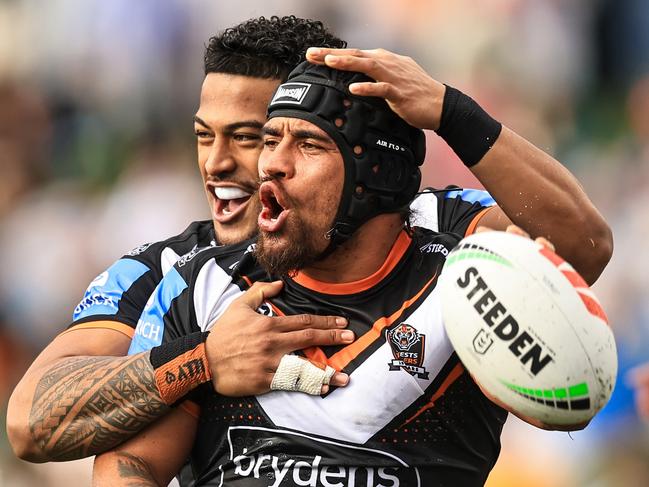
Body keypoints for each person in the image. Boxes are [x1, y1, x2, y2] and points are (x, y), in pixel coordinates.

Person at [93, 53, 612, 486]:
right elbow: (132, 465)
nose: (271, 164)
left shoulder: (467, 278)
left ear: (376, 177)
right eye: (271, 140)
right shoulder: (204, 285)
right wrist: (201, 359)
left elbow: (584, 246)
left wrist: (452, 113)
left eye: (309, 144)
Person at [6, 16, 354, 463]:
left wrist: (451, 115)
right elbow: (29, 421)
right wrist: (204, 359)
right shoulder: (162, 270)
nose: (215, 163)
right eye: (203, 136)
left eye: (246, 137)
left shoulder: (416, 233)